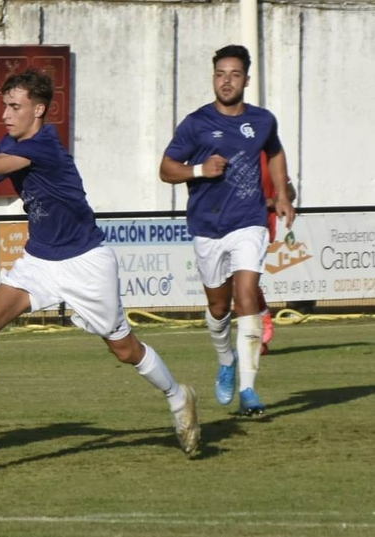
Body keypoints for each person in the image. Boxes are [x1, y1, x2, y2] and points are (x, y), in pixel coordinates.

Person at [0, 68, 201, 456]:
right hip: (40, 259)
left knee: (125, 350)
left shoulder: (41, 146)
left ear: (39, 109)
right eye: (5, 106)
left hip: (86, 263)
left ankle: (178, 396)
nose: (6, 115)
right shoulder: (12, 143)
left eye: (15, 107)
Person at [159, 45, 296, 416]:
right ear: (213, 78)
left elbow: (276, 151)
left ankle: (249, 390)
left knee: (247, 292)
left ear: (246, 80)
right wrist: (201, 170)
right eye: (221, 74)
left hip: (248, 222)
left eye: (235, 74)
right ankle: (226, 361)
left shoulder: (263, 121)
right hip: (207, 226)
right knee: (218, 307)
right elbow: (167, 169)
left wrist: (282, 194)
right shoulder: (195, 124)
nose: (227, 81)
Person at [256, 151, 297, 355]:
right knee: (233, 285)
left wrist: (272, 202)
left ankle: (261, 328)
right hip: (229, 225)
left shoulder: (268, 153)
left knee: (244, 281)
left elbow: (290, 192)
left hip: (260, 226)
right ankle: (262, 317)